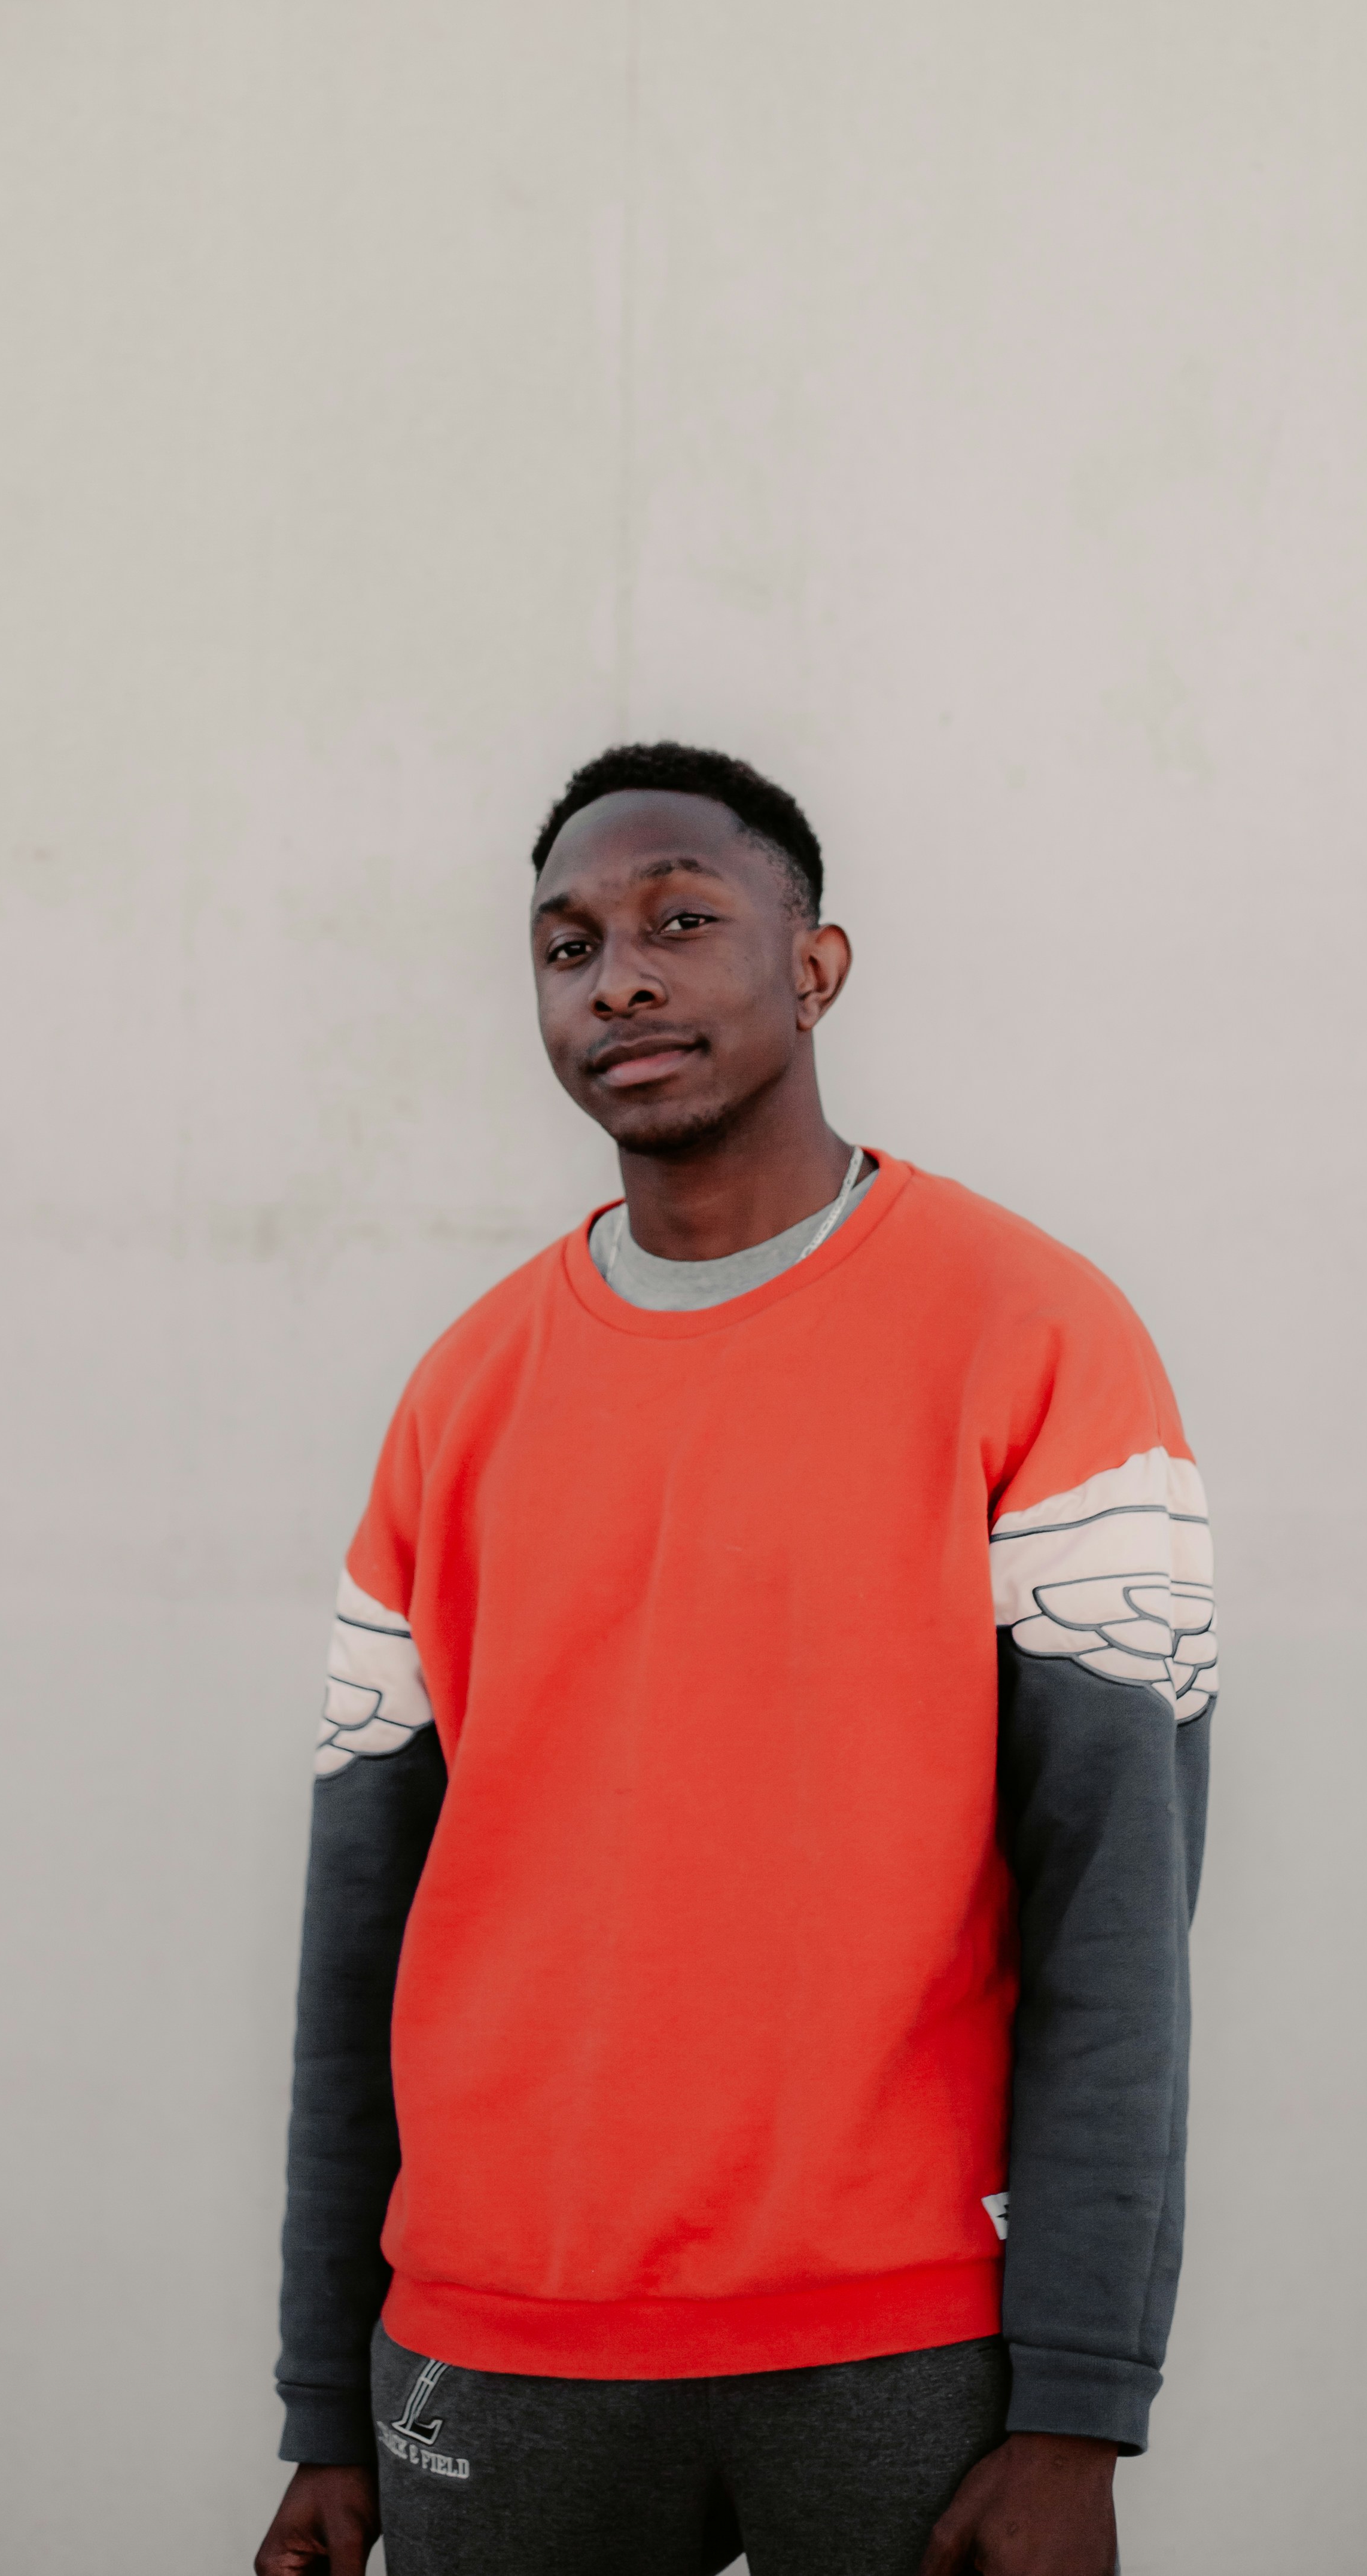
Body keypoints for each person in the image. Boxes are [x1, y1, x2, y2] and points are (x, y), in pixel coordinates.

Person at [253, 743, 1216, 2576]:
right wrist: (322, 2401)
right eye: (566, 942)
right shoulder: (461, 1394)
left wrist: (1081, 2405)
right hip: (489, 2341)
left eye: (681, 920)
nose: (616, 974)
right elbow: (358, 1926)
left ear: (815, 962)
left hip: (902, 2345)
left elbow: (1118, 1908)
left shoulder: (1032, 1334)